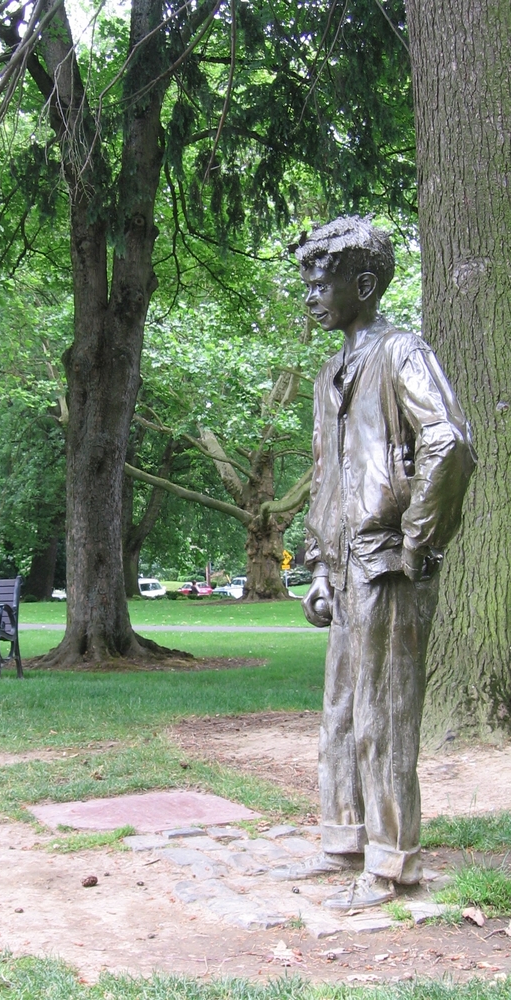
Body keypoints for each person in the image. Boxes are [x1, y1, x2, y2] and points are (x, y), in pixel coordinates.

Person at [271, 216, 476, 909]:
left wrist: (416, 541)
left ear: (364, 284)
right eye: (306, 283)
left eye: (321, 282)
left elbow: (449, 442)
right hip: (347, 565)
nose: (311, 297)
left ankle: (392, 866)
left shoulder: (401, 354)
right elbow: (328, 474)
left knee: (385, 715)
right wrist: (323, 569)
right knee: (341, 711)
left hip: (388, 560)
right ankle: (346, 843)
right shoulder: (333, 371)